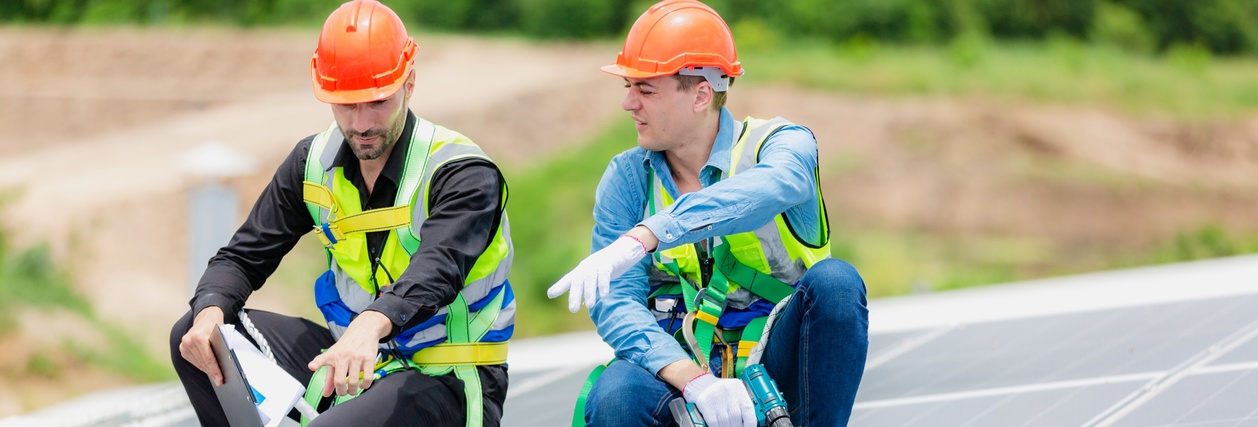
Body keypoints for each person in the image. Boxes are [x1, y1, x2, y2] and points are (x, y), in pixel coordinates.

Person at [170, 1, 515, 426]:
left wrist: (370, 327)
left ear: (409, 82)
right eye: (346, 105)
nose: (362, 123)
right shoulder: (311, 163)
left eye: (377, 102)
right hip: (353, 364)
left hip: (446, 377)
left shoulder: (462, 172)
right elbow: (243, 257)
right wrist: (209, 311)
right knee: (197, 338)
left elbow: (436, 271)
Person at [546, 1, 868, 426]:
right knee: (616, 398)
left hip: (778, 347)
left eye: (645, 89)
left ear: (700, 94)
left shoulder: (782, 145)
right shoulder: (627, 177)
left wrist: (651, 232)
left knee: (837, 284)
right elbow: (618, 303)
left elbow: (777, 184)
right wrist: (695, 381)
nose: (628, 103)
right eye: (628, 86)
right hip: (681, 352)